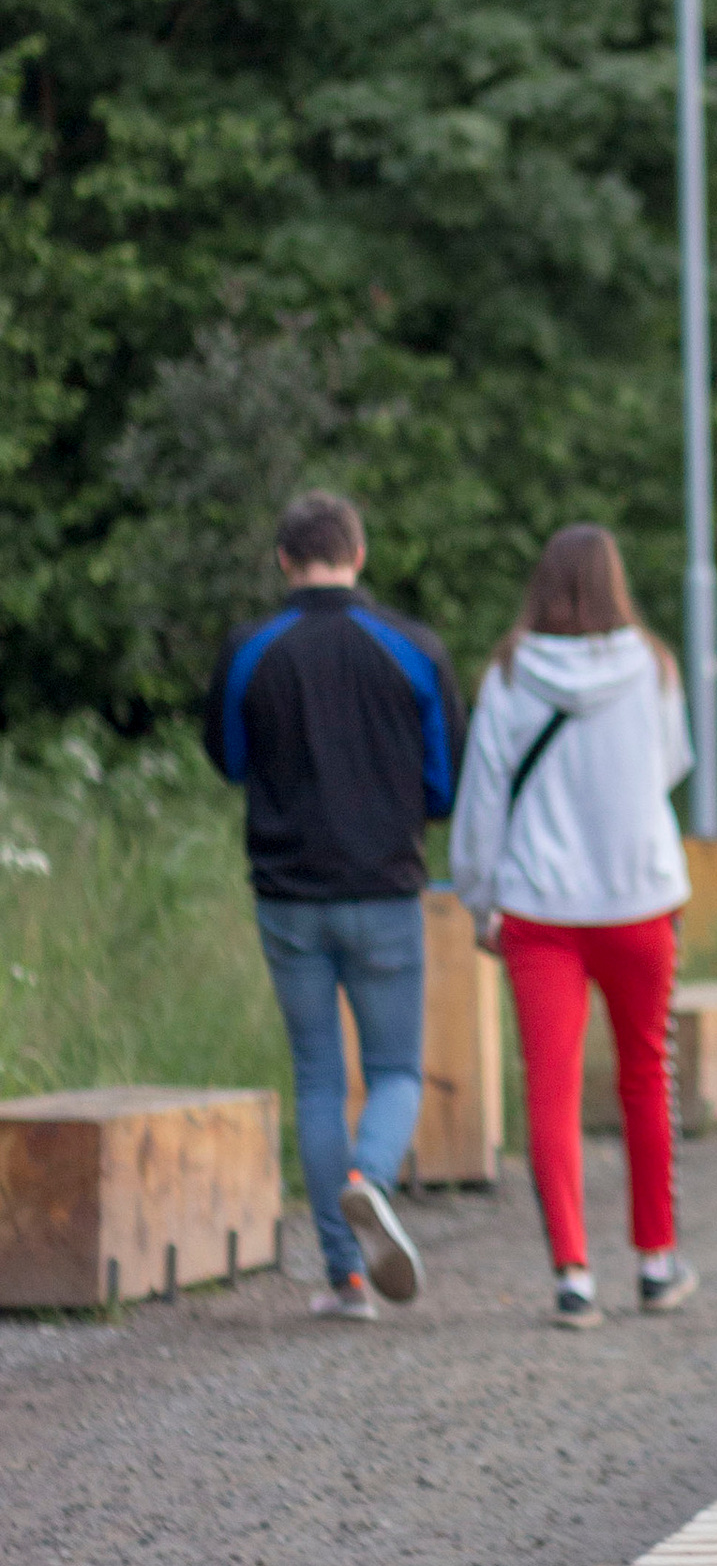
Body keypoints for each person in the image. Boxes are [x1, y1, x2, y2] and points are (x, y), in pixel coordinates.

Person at [204, 491, 464, 1320]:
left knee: (318, 1076)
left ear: (284, 560)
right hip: (385, 888)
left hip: (287, 895)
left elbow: (230, 759)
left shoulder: (251, 649)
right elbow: (443, 781)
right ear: (359, 554)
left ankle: (346, 1279)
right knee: (392, 1070)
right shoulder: (413, 648)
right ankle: (370, 1181)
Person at [449, 526, 697, 1329]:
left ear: (543, 586)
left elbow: (483, 797)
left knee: (550, 1088)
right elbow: (667, 770)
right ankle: (657, 1264)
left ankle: (573, 1276)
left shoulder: (512, 673)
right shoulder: (655, 668)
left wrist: (480, 896)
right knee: (643, 1077)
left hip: (540, 911)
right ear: (615, 582)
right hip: (638, 903)